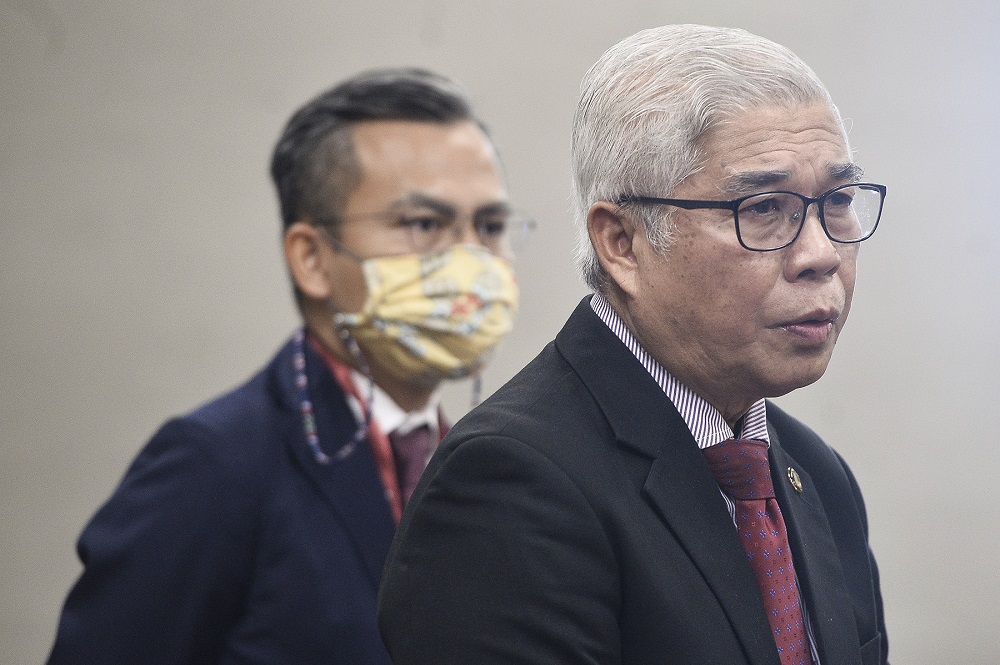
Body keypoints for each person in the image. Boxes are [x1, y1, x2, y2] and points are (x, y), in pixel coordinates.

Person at [379, 25, 888, 665]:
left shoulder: (817, 476)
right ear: (622, 243)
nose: (821, 254)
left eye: (837, 200)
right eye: (763, 208)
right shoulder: (512, 488)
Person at [47, 68, 525, 664]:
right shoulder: (214, 467)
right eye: (423, 225)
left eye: (491, 226)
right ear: (312, 259)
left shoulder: (488, 463)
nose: (471, 260)